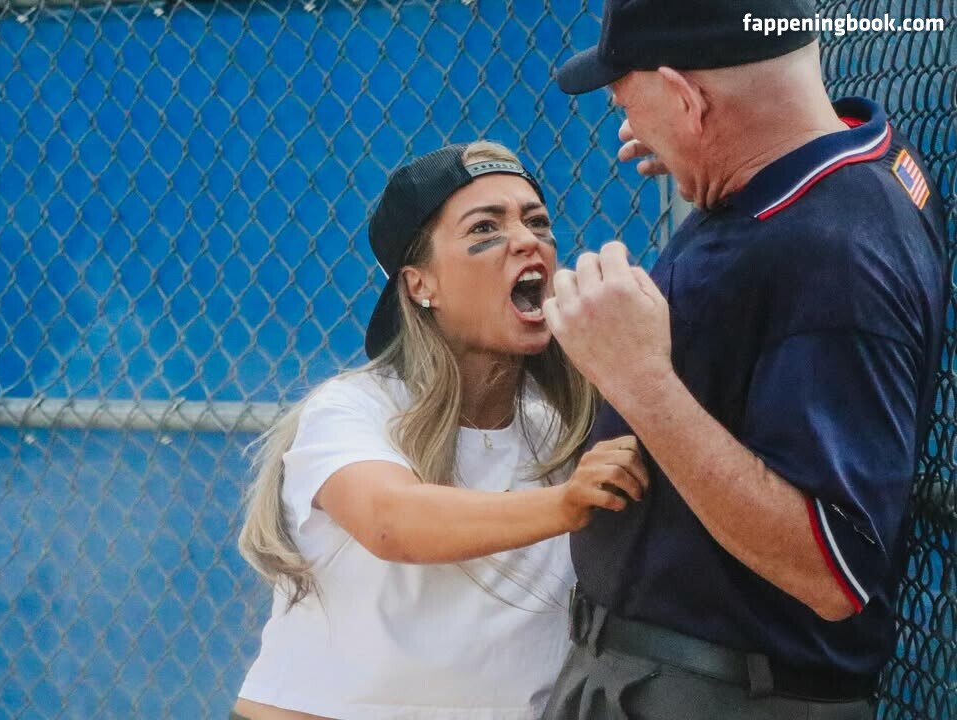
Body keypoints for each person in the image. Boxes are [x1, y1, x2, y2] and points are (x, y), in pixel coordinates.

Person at [540, 0, 947, 718]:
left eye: (627, 102)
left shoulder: (834, 252)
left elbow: (834, 572)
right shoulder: (823, 170)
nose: (625, 124)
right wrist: (699, 146)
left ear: (688, 97)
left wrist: (640, 381)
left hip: (721, 694)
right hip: (678, 679)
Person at [232, 141, 649, 720]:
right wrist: (565, 504)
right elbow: (391, 521)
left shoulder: (565, 430)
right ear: (420, 284)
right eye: (486, 227)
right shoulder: (356, 408)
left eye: (536, 222)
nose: (527, 240)